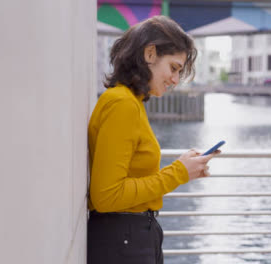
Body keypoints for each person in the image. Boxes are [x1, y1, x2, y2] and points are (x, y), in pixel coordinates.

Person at [87, 16, 218, 264]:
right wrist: (179, 172)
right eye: (173, 68)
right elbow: (106, 196)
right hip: (123, 240)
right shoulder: (122, 104)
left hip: (128, 236)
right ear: (150, 54)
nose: (175, 80)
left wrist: (181, 168)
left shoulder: (129, 102)